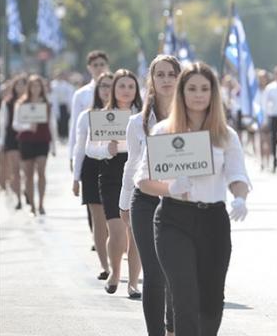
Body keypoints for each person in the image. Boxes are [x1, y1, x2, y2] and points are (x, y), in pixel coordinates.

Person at [136, 62, 250, 336]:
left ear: (213, 94)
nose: (198, 95)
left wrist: (239, 198)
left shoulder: (225, 135)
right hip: (174, 220)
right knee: (184, 297)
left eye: (204, 89)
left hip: (213, 220)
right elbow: (143, 180)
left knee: (211, 303)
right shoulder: (164, 131)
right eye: (192, 88)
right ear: (181, 92)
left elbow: (237, 175)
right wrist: (170, 188)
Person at [120, 55, 179, 335]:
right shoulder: (136, 123)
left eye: (171, 74)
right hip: (145, 202)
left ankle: (172, 328)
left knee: (174, 274)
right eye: (161, 75)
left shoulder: (193, 120)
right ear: (152, 81)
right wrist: (123, 204)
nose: (166, 79)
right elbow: (131, 165)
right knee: (154, 274)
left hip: (180, 203)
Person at [85, 69, 143, 297]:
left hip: (137, 174)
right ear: (113, 89)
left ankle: (134, 282)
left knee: (135, 231)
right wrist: (104, 150)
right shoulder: (102, 115)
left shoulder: (143, 115)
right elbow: (90, 148)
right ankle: (115, 272)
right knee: (117, 230)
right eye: (121, 86)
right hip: (110, 174)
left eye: (130, 86)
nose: (126, 90)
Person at [72, 72, 113, 280]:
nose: (107, 90)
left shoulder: (128, 114)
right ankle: (105, 266)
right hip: (92, 168)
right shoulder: (86, 116)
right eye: (103, 86)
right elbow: (80, 148)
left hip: (116, 169)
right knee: (98, 219)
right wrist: (75, 177)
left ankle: (116, 259)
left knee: (115, 220)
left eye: (110, 85)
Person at [12, 75, 57, 215]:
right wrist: (27, 126)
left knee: (41, 171)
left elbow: (52, 124)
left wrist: (54, 146)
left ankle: (41, 204)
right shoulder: (21, 104)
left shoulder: (46, 104)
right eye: (33, 86)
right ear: (29, 88)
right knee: (28, 174)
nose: (35, 89)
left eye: (38, 86)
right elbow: (15, 124)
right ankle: (31, 204)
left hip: (42, 141)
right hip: (26, 141)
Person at [68, 51, 110, 172]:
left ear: (107, 66)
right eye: (95, 65)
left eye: (102, 64)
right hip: (89, 150)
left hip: (112, 150)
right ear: (89, 68)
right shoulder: (81, 94)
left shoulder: (117, 90)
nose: (99, 68)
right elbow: (74, 126)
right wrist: (73, 156)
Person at [0, 75, 28, 209]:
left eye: (23, 85)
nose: (20, 88)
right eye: (18, 85)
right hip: (12, 138)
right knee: (15, 169)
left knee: (26, 169)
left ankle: (26, 191)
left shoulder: (30, 102)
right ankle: (18, 199)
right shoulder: (8, 102)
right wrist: (2, 141)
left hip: (28, 138)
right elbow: (4, 123)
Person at [50, 71, 75, 141]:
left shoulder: (66, 85)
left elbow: (69, 96)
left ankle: (65, 135)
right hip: (56, 105)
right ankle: (59, 135)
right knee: (58, 121)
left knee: (65, 120)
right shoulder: (53, 85)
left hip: (64, 105)